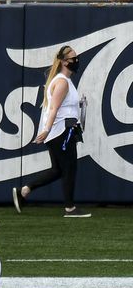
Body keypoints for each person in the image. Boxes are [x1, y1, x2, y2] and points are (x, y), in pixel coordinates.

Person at [15, 46, 90, 219]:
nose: (76, 61)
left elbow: (59, 107)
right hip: (61, 132)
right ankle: (70, 208)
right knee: (69, 168)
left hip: (60, 131)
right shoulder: (62, 81)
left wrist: (79, 105)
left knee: (58, 170)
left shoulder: (63, 81)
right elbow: (54, 108)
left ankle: (24, 191)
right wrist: (46, 130)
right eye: (73, 58)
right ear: (64, 62)